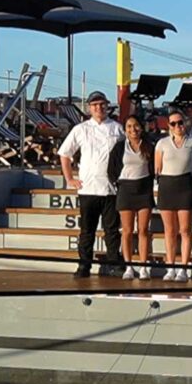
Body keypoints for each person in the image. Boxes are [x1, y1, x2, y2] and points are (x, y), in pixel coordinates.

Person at [58, 90, 125, 277]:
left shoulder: (117, 128)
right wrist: (69, 178)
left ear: (107, 106)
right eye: (95, 105)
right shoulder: (81, 129)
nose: (99, 108)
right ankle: (84, 265)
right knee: (87, 230)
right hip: (87, 188)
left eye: (102, 104)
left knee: (112, 230)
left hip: (111, 188)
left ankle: (114, 263)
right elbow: (64, 153)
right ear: (89, 108)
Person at [155, 109, 192, 282]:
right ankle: (171, 267)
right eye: (173, 123)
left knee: (185, 230)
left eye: (180, 122)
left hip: (185, 185)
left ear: (185, 123)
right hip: (167, 185)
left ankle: (183, 267)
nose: (177, 126)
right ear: (169, 126)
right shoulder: (162, 144)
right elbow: (158, 168)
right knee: (169, 230)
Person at [108, 115, 155, 280]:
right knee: (127, 231)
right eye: (129, 126)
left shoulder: (149, 146)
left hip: (143, 190)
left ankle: (143, 266)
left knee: (143, 230)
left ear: (141, 128)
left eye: (135, 126)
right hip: (125, 190)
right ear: (125, 129)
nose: (132, 129)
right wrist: (118, 183)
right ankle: (128, 266)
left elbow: (154, 168)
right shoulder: (120, 147)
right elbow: (111, 170)